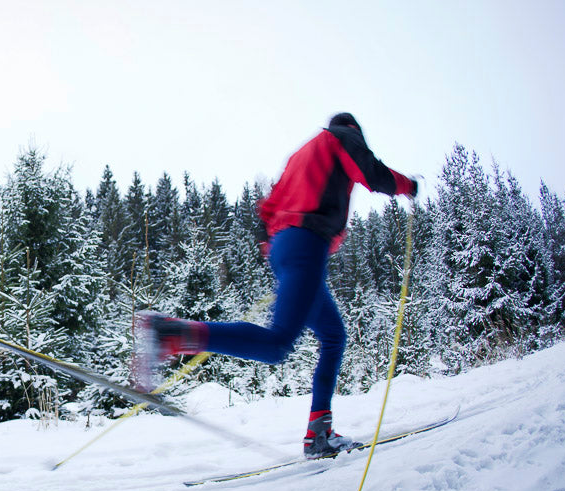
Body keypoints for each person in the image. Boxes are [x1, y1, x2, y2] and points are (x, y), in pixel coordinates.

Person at [134, 112, 418, 459]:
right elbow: (374, 174)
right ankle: (172, 332)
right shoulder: (341, 138)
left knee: (333, 335)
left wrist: (282, 257)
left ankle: (319, 433)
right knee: (277, 344)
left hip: (288, 248)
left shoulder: (301, 154)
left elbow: (266, 211)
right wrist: (409, 186)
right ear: (352, 129)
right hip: (306, 244)